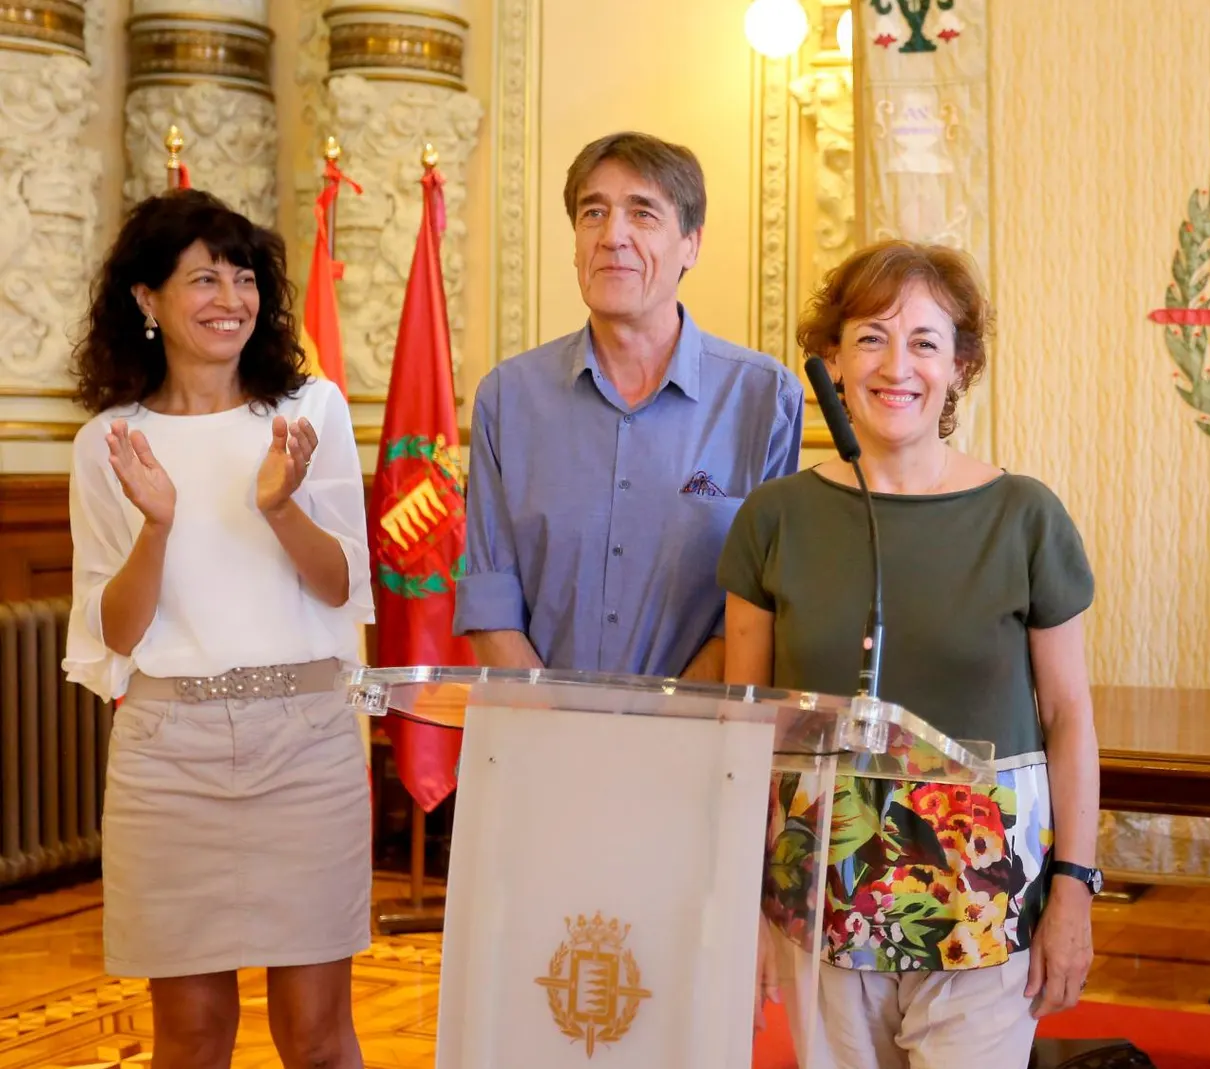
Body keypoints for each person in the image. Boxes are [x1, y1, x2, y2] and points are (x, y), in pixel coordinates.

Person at [719, 240, 1100, 1068]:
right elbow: (742, 729)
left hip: (985, 893)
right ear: (831, 360)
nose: (898, 365)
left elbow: (1069, 715)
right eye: (871, 337)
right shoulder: (772, 519)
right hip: (817, 886)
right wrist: (741, 904)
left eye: (926, 341)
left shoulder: (1025, 516)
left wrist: (1075, 882)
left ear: (960, 367)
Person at [62, 190, 373, 1069]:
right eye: (203, 277)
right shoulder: (109, 444)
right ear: (146, 299)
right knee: (192, 1039)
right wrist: (156, 525)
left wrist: (278, 507)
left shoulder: (311, 411)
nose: (230, 297)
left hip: (306, 743)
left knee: (315, 1038)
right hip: (169, 754)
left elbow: (346, 584)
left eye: (243, 277)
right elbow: (115, 631)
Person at [455, 130, 803, 676]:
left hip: (696, 741)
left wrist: (660, 729)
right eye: (593, 213)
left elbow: (756, 607)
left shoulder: (763, 399)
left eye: (643, 215)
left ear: (692, 243)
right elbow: (489, 596)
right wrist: (559, 722)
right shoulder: (508, 397)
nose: (613, 236)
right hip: (535, 734)